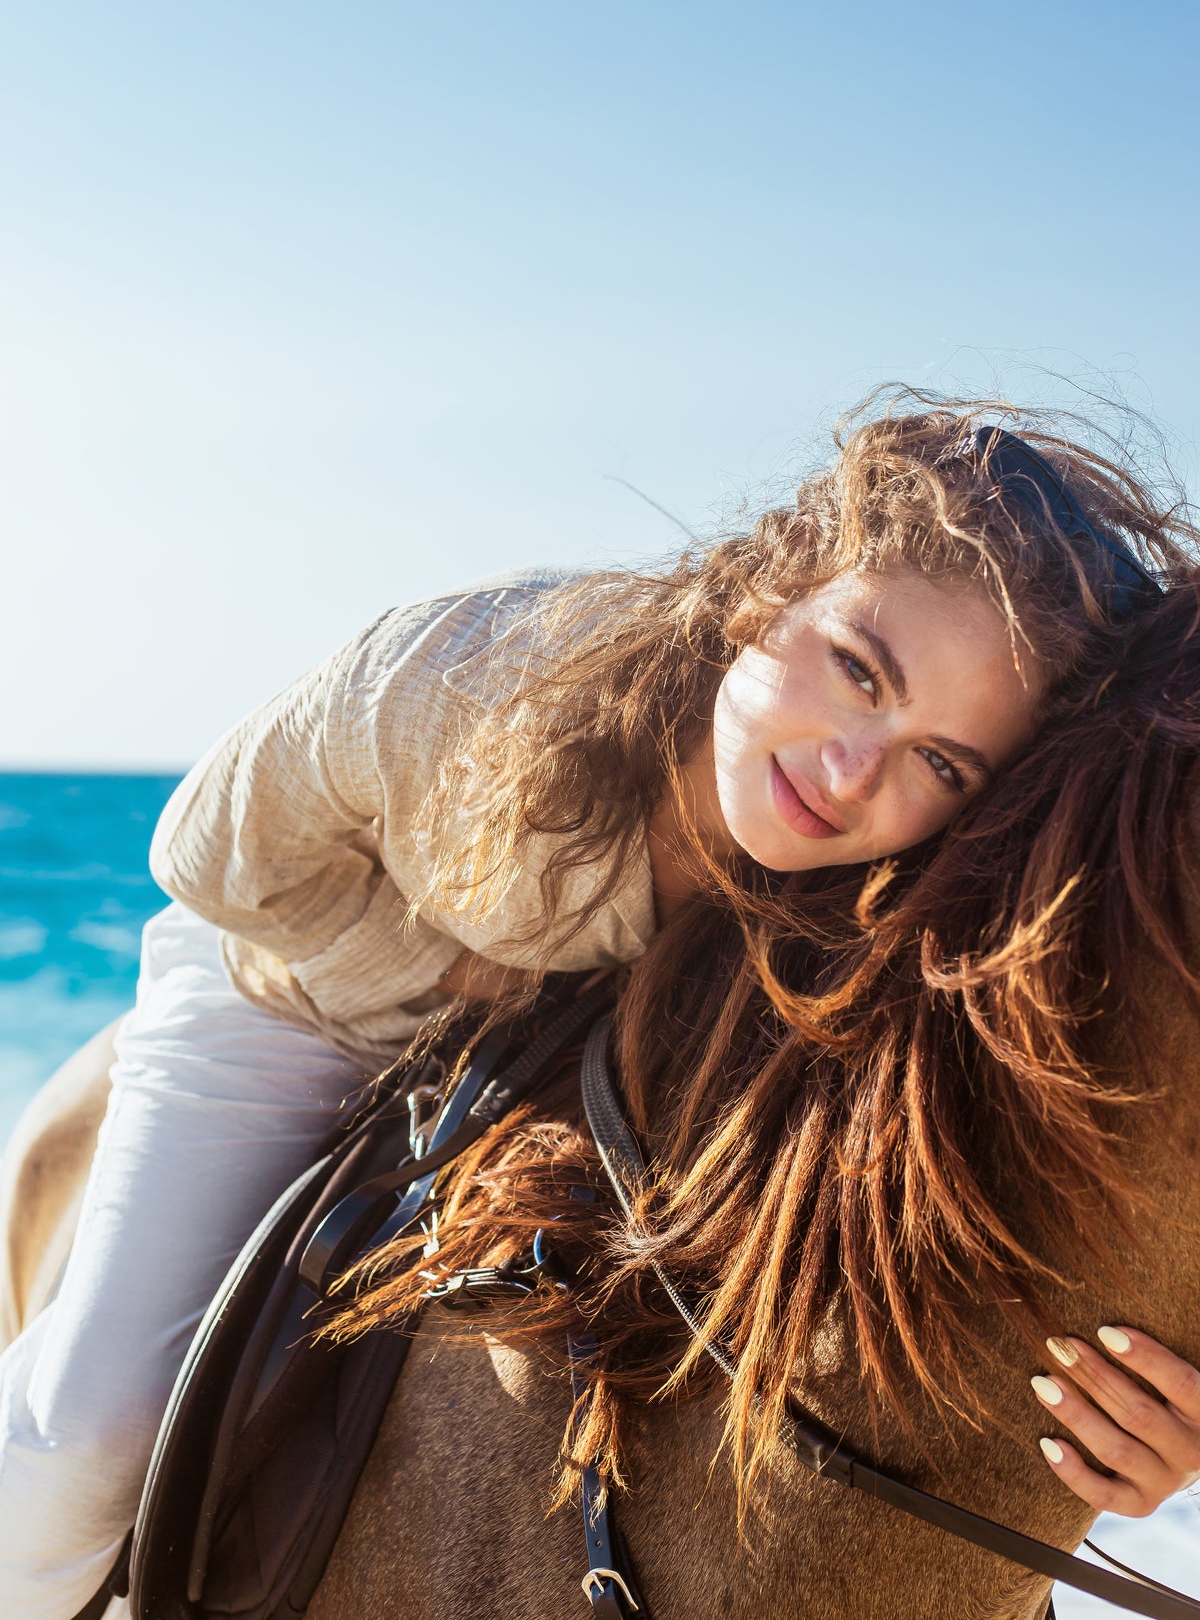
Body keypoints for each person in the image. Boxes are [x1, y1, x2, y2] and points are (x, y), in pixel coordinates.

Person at [2, 387, 1198, 1617]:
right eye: (855, 669)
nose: (850, 771)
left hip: (529, 1023)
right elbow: (210, 857)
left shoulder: (886, 873)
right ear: (767, 588)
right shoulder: (468, 685)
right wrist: (447, 991)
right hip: (287, 983)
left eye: (941, 761)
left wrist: (1121, 1444)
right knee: (88, 1434)